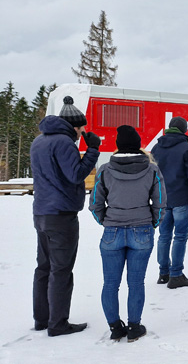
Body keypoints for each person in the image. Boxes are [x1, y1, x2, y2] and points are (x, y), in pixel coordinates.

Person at [30, 96, 100, 336]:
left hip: (42, 211)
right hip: (61, 214)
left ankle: (42, 318)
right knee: (61, 269)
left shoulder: (39, 141)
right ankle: (58, 323)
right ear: (74, 126)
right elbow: (76, 174)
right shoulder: (64, 142)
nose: (83, 132)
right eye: (82, 128)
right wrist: (92, 151)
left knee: (44, 267)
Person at [89, 125, 165, 342]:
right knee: (136, 282)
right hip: (141, 230)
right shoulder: (152, 170)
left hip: (112, 231)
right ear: (138, 146)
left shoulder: (104, 169)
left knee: (110, 283)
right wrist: (152, 223)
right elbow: (160, 203)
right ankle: (134, 327)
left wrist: (106, 221)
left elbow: (95, 202)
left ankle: (115, 327)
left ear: (118, 146)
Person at [151, 116, 188, 289]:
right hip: (182, 199)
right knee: (180, 237)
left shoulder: (156, 148)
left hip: (162, 200)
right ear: (184, 130)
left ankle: (163, 272)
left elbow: (152, 175)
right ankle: (176, 274)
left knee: (164, 237)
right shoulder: (187, 149)